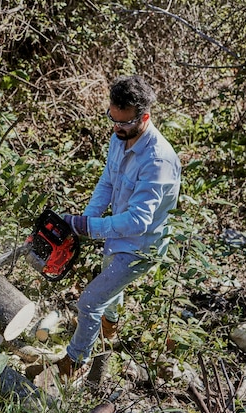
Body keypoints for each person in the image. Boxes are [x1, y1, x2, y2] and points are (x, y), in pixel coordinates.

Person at [58, 75, 182, 379]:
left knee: (89, 301)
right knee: (109, 286)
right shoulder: (119, 138)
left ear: (144, 117)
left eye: (124, 123)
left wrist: (88, 227)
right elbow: (108, 181)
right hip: (115, 235)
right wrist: (85, 221)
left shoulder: (157, 162)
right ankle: (108, 330)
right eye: (113, 120)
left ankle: (74, 363)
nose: (117, 128)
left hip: (141, 246)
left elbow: (138, 222)